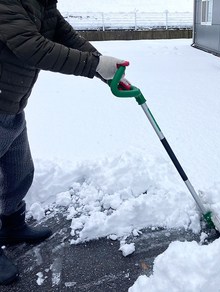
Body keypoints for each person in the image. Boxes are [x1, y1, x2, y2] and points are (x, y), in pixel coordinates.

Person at [0, 0, 130, 285]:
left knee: (18, 172)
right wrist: (95, 65)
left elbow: (66, 37)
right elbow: (32, 46)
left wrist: (104, 70)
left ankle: (10, 225)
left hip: (11, 103)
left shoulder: (41, 4)